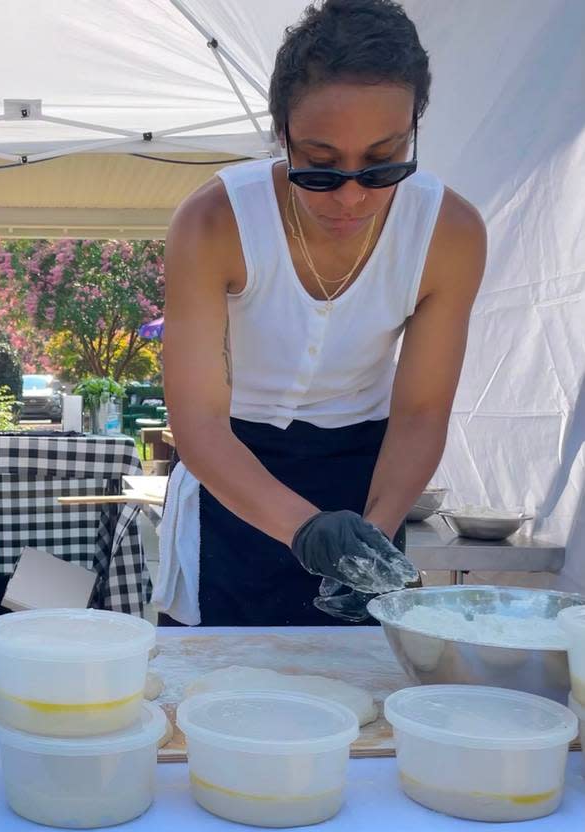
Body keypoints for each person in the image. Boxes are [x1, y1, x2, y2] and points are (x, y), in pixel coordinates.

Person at [163, 0, 486, 626]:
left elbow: (420, 409)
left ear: (414, 128)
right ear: (282, 135)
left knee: (360, 696)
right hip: (234, 473)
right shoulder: (213, 223)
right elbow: (198, 419)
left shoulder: (449, 233)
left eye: (384, 160)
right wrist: (304, 528)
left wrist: (374, 531)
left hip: (371, 479)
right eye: (320, 165)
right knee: (224, 691)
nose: (353, 195)